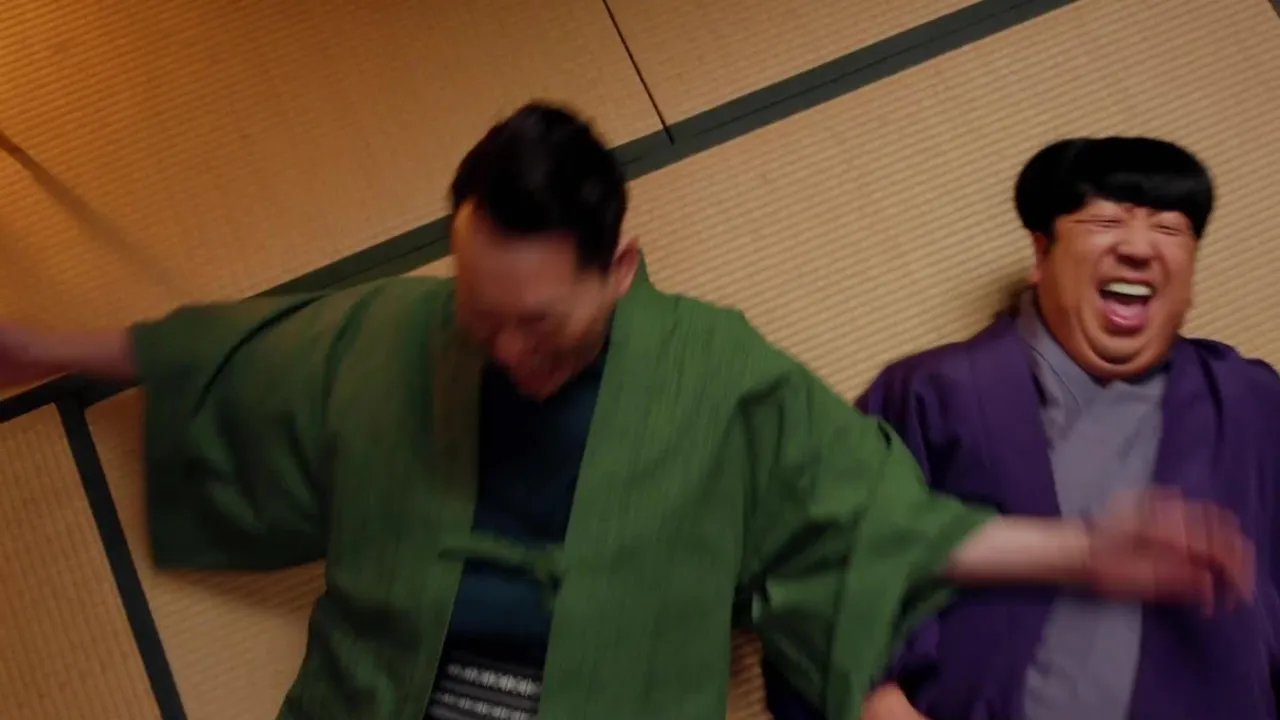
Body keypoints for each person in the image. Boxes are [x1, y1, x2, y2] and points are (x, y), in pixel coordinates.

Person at [0, 111, 1255, 720]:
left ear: (619, 268)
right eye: (478, 314)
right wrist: (41, 347)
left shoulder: (717, 372)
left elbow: (870, 523)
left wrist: (1082, 550)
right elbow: (234, 355)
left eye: (537, 323)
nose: (502, 349)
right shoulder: (403, 329)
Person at [765, 136, 1279, 720]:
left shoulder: (1250, 401)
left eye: (1170, 229)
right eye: (1105, 221)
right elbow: (820, 571)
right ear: (1041, 253)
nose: (1139, 247)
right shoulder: (934, 392)